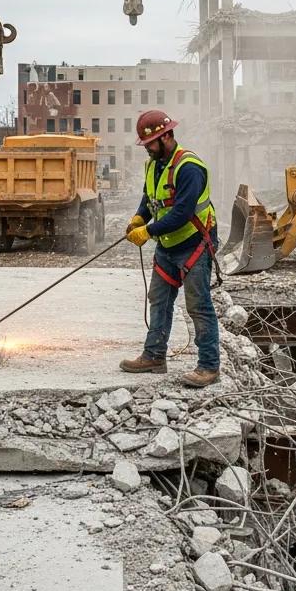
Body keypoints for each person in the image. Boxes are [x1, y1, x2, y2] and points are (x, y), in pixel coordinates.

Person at [120, 110, 220, 388]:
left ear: (166, 137)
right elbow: (150, 196)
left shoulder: (189, 167)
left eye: (151, 143)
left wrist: (148, 231)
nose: (148, 149)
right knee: (159, 300)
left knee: (198, 306)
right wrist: (140, 217)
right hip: (168, 245)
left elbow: (182, 213)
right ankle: (154, 355)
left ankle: (209, 366)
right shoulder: (154, 164)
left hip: (193, 244)